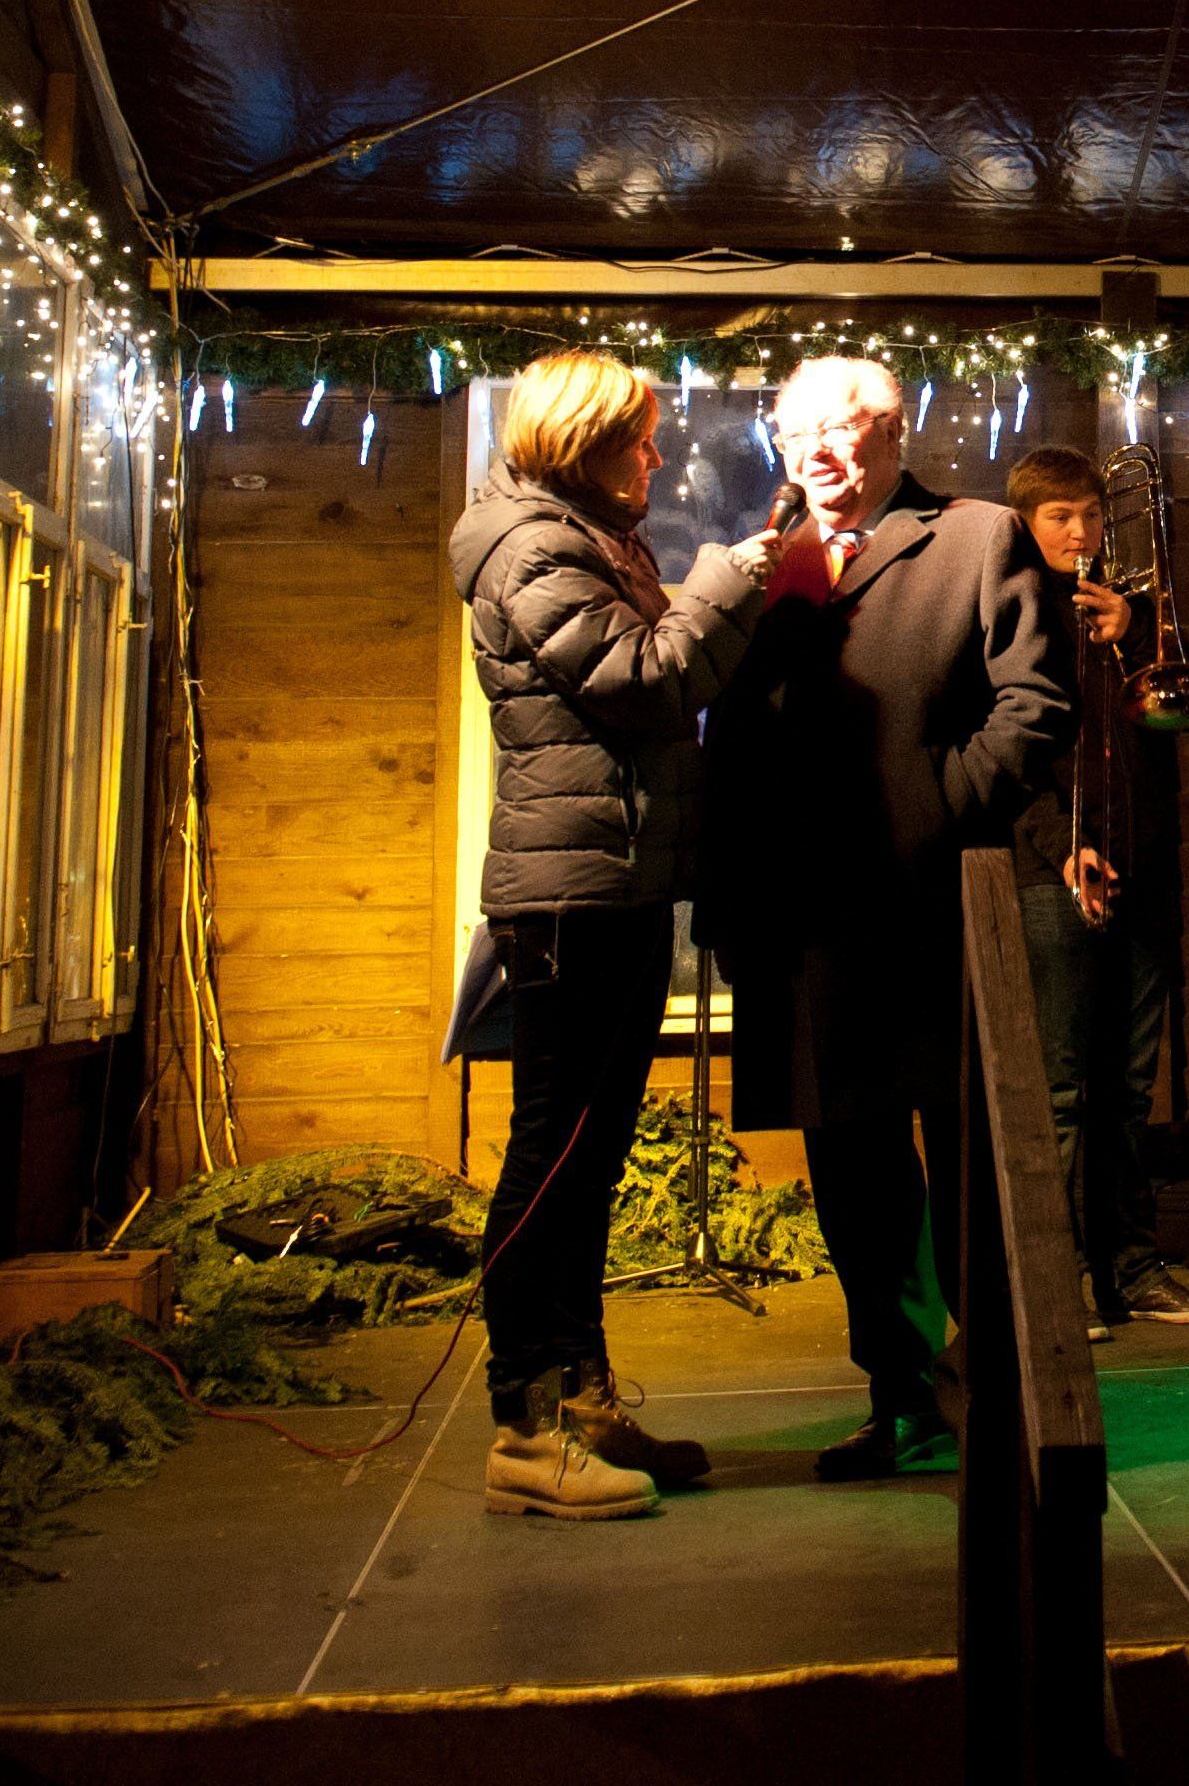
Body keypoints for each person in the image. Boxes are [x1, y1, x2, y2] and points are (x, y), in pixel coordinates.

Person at [701, 356, 1076, 1478]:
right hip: (805, 925)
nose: (816, 451)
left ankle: (994, 1394)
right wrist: (730, 898)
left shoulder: (974, 536)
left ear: (891, 432)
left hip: (935, 909)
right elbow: (732, 739)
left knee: (969, 1169)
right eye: (796, 434)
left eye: (840, 429)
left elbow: (1035, 707)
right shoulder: (767, 562)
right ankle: (898, 1393)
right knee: (853, 1180)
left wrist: (935, 809)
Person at [446, 349, 779, 1519]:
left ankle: (579, 1398)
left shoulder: (585, 538)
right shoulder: (533, 549)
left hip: (616, 887)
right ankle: (522, 1428)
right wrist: (728, 577)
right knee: (550, 1161)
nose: (655, 454)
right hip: (567, 899)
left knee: (584, 1162)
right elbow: (646, 680)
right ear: (579, 444)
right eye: (635, 439)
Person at [1006, 447, 1189, 1334]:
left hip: (1145, 868)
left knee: (1132, 1090)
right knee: (1062, 1092)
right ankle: (1061, 1277)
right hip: (1052, 873)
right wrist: (1062, 848)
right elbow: (1008, 758)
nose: (1082, 534)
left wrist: (1137, 631)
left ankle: (1132, 1269)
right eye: (1061, 517)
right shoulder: (1013, 612)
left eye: (1093, 516)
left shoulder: (1135, 614)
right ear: (1026, 524)